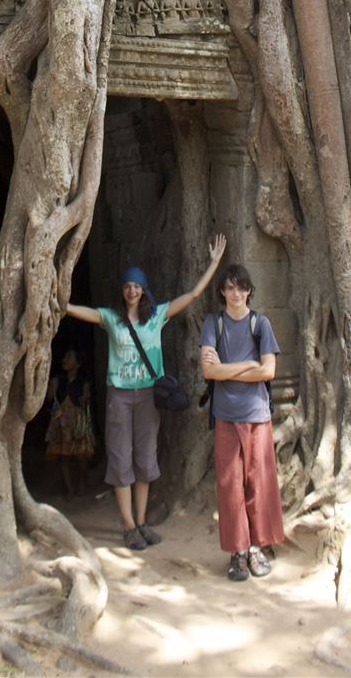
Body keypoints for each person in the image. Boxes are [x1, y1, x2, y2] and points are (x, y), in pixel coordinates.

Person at [66, 233, 226, 550]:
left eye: (137, 286)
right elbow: (81, 311)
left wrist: (214, 262)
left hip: (149, 397)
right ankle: (127, 526)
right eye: (127, 286)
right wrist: (60, 301)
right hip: (120, 398)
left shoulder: (156, 318)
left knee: (145, 460)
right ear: (122, 291)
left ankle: (141, 522)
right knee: (120, 459)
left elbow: (193, 294)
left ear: (143, 290)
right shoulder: (112, 319)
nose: (132, 291)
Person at [200, 262, 285, 582]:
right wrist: (247, 364)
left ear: (249, 290)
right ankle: (237, 551)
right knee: (229, 485)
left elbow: (268, 371)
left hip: (257, 415)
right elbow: (209, 372)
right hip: (226, 415)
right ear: (222, 291)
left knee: (258, 483)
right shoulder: (214, 323)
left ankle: (256, 548)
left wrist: (230, 367)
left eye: (241, 287)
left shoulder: (261, 324)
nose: (235, 293)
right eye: (229, 287)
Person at [45, 346, 96, 496]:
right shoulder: (58, 379)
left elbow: (86, 399)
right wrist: (51, 387)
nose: (64, 360)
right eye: (64, 357)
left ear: (78, 364)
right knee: (64, 456)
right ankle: (69, 489)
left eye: (69, 357)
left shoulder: (84, 380)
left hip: (77, 423)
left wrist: (85, 395)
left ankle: (81, 481)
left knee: (80, 455)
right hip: (60, 422)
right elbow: (49, 399)